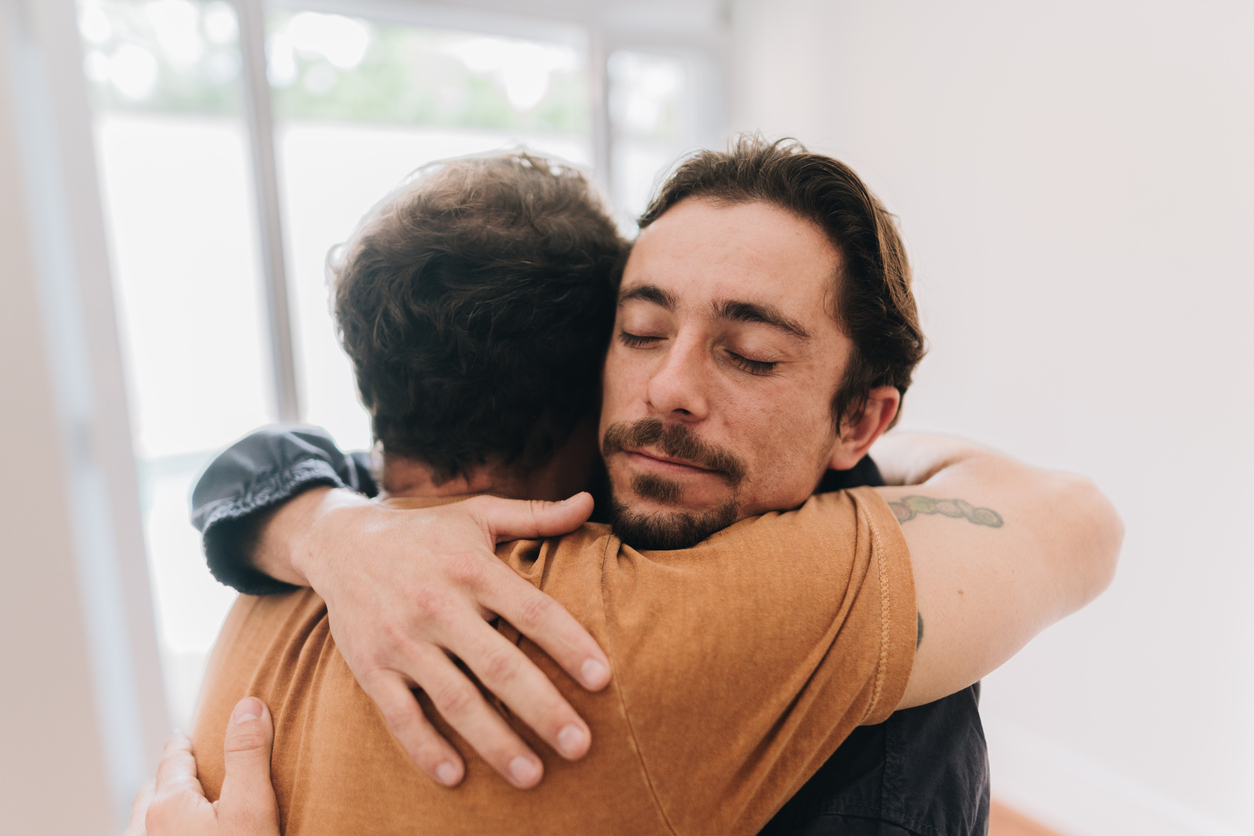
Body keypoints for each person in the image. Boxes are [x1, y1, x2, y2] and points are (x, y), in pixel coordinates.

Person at [152, 142, 1120, 834]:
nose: (668, 386)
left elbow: (271, 464)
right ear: (589, 372)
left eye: (747, 354)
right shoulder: (678, 625)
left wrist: (317, 527)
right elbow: (1069, 518)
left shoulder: (264, 599)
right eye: (644, 331)